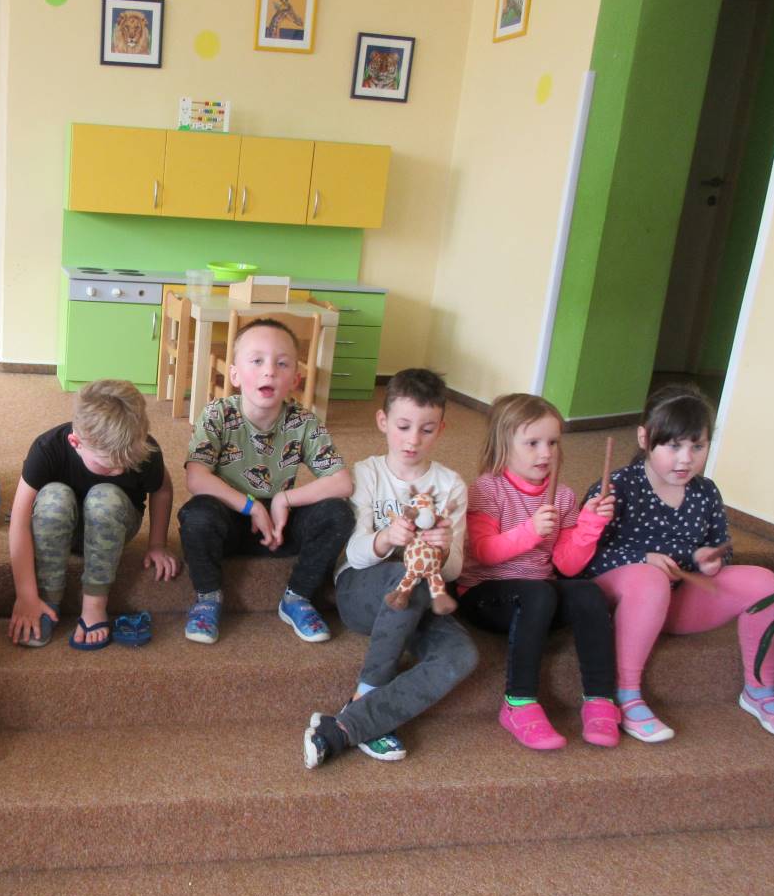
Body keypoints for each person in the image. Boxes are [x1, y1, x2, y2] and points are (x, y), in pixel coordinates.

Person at [583, 385, 774, 741]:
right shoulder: (616, 487)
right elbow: (581, 560)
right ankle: (626, 693)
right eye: (673, 446)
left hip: (676, 601)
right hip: (618, 602)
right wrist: (642, 559)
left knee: (766, 583)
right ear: (644, 438)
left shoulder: (705, 491)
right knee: (649, 579)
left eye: (697, 447)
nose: (686, 459)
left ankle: (760, 690)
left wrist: (710, 558)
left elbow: (720, 547)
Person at [304, 369, 478, 767]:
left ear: (442, 429)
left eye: (426, 429)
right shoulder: (367, 473)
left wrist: (444, 549)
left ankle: (349, 724)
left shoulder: (451, 485)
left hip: (423, 594)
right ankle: (368, 691)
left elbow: (452, 572)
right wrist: (385, 539)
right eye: (403, 426)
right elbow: (354, 554)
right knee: (405, 579)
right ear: (383, 421)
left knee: (462, 654)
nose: (413, 440)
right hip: (361, 591)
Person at [457, 393, 618, 750]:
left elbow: (567, 565)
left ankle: (599, 697)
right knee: (539, 592)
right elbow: (483, 552)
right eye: (532, 443)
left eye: (553, 443)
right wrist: (530, 531)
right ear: (504, 445)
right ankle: (518, 701)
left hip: (539, 598)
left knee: (589, 592)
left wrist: (590, 525)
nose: (546, 453)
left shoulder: (563, 496)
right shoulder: (487, 489)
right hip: (486, 596)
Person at [179, 318, 354, 644]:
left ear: (296, 379)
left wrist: (284, 500)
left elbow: (342, 482)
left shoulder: (303, 421)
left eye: (282, 363)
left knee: (338, 513)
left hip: (278, 526)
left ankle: (298, 597)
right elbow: (196, 477)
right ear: (234, 375)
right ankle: (208, 597)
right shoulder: (217, 414)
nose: (269, 371)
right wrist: (252, 507)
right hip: (229, 519)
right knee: (196, 514)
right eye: (257, 361)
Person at [8, 379, 178, 650]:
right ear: (76, 442)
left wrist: (157, 543)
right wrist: (26, 595)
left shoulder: (142, 447)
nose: (119, 471)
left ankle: (94, 604)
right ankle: (47, 598)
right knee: (54, 496)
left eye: (127, 464)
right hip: (60, 526)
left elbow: (162, 489)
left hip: (113, 523)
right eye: (108, 466)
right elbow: (18, 521)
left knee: (104, 496)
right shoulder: (47, 448)